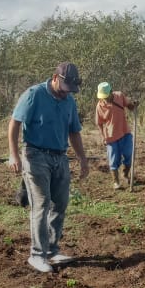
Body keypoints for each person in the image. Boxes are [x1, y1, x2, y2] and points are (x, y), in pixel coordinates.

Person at [8, 61, 89, 273]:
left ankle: (52, 250)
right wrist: (14, 155)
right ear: (55, 78)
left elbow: (74, 132)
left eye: (70, 90)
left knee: (60, 203)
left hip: (60, 157)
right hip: (35, 155)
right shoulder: (34, 95)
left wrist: (82, 158)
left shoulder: (69, 101)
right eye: (64, 89)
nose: (66, 93)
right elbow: (15, 123)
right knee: (41, 204)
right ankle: (37, 255)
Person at [95, 81, 139, 189]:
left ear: (111, 92)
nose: (104, 99)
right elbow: (99, 123)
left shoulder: (119, 96)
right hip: (110, 136)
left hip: (125, 132)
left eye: (106, 96)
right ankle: (116, 182)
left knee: (129, 154)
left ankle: (125, 175)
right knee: (113, 160)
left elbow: (129, 106)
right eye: (103, 97)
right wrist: (103, 137)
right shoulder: (99, 106)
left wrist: (134, 105)